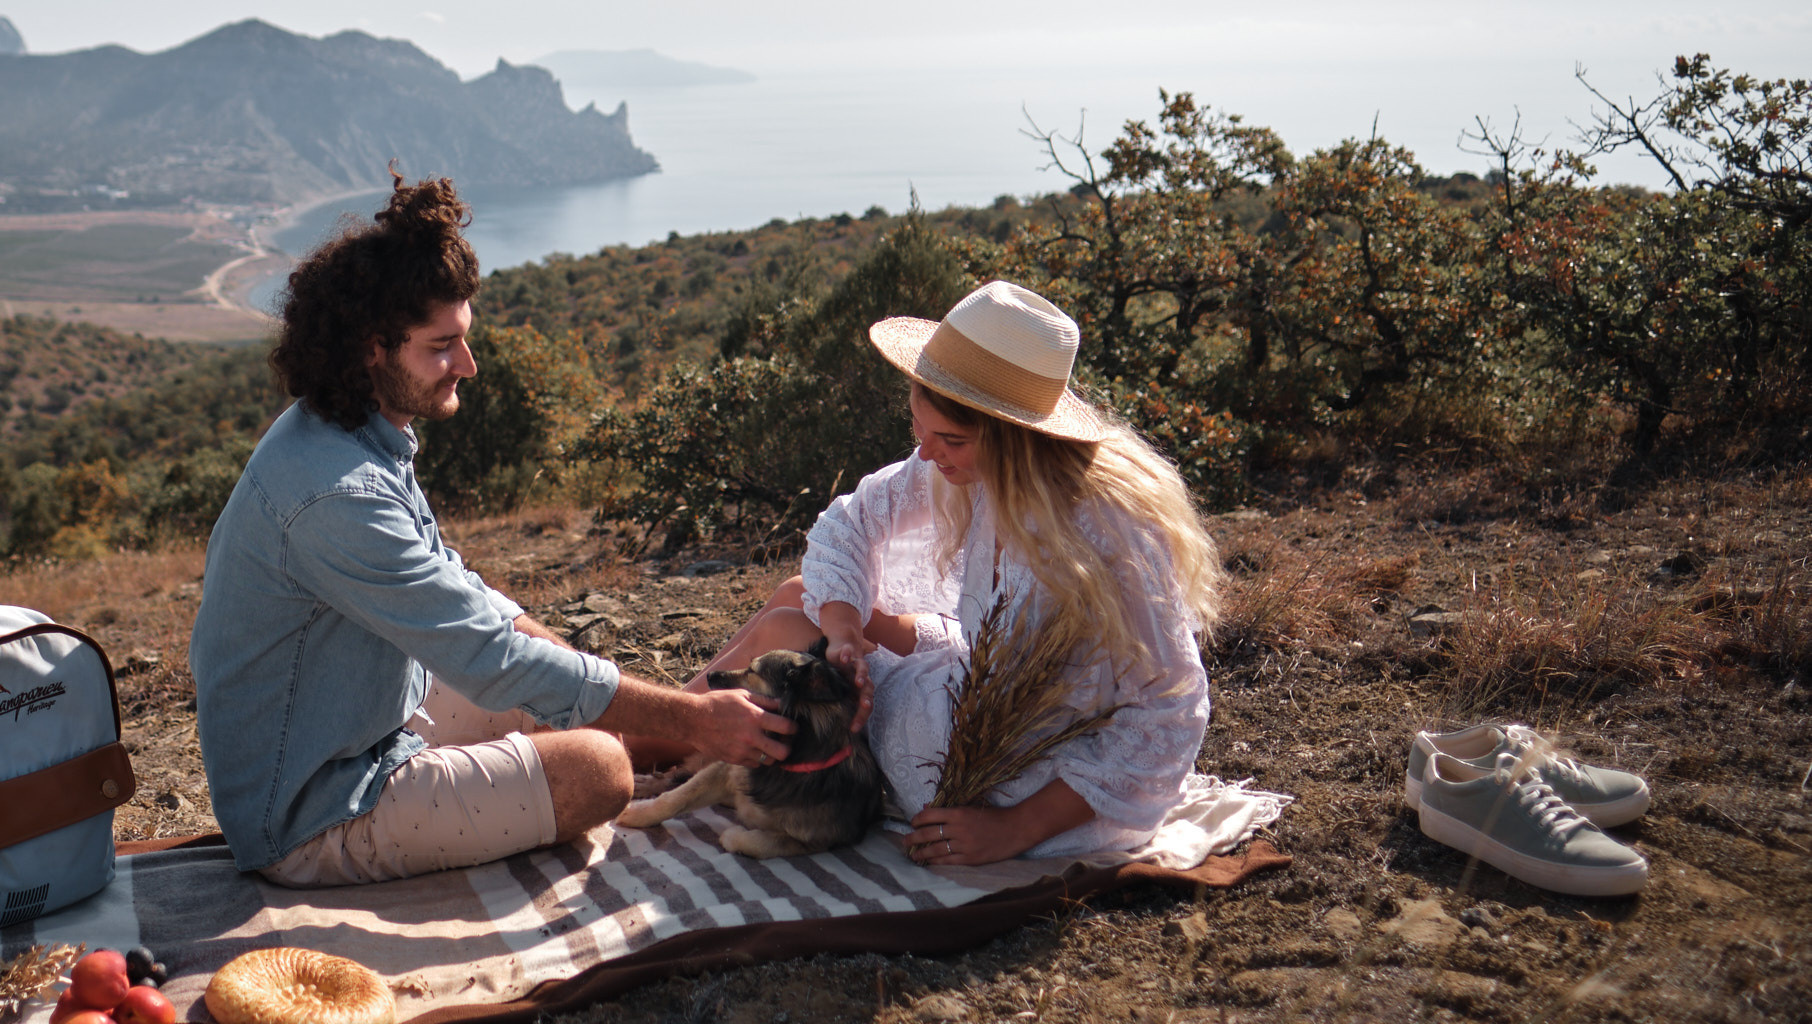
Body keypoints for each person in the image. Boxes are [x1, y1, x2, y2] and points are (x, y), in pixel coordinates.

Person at [189, 176, 795, 886]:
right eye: (442, 346)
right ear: (371, 349)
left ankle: (702, 731)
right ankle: (701, 732)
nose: (467, 366)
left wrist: (673, 710)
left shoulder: (358, 429)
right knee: (601, 770)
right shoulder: (337, 494)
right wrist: (692, 719)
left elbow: (473, 604)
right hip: (308, 810)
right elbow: (488, 656)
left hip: (362, 718)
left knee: (566, 688)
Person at [680, 279, 1221, 870]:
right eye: (920, 429)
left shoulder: (1107, 532)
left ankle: (642, 736)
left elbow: (1170, 709)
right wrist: (843, 636)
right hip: (974, 678)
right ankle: (660, 732)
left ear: (1016, 436)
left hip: (1016, 778)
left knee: (786, 625)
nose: (928, 453)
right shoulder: (977, 466)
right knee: (809, 601)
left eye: (950, 439)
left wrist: (1014, 828)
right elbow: (851, 523)